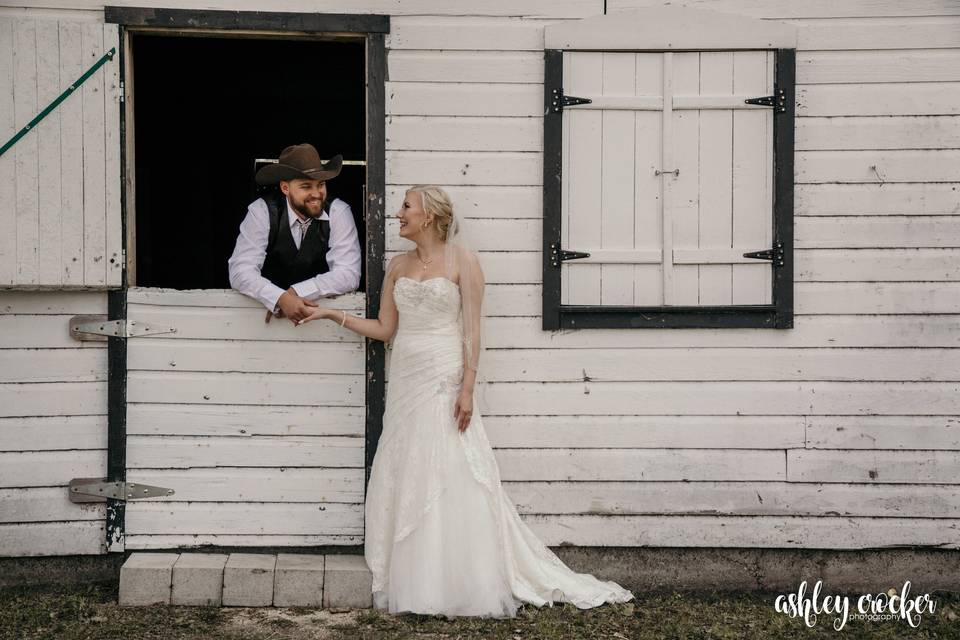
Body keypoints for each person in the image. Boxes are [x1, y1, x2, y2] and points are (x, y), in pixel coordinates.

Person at [297, 185, 635, 618]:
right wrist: (329, 314)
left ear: (430, 217)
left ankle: (461, 577)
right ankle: (417, 575)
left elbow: (473, 330)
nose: (398, 214)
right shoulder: (397, 267)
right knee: (409, 460)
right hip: (406, 377)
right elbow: (385, 329)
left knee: (450, 464)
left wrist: (468, 388)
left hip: (444, 373)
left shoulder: (464, 262)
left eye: (405, 207)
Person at [228, 143, 361, 324]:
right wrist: (279, 298)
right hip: (262, 325)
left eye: (320, 184)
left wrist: (295, 293)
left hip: (321, 324)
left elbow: (349, 273)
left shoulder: (338, 211)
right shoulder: (262, 211)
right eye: (306, 186)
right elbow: (240, 271)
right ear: (285, 188)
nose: (316, 194)